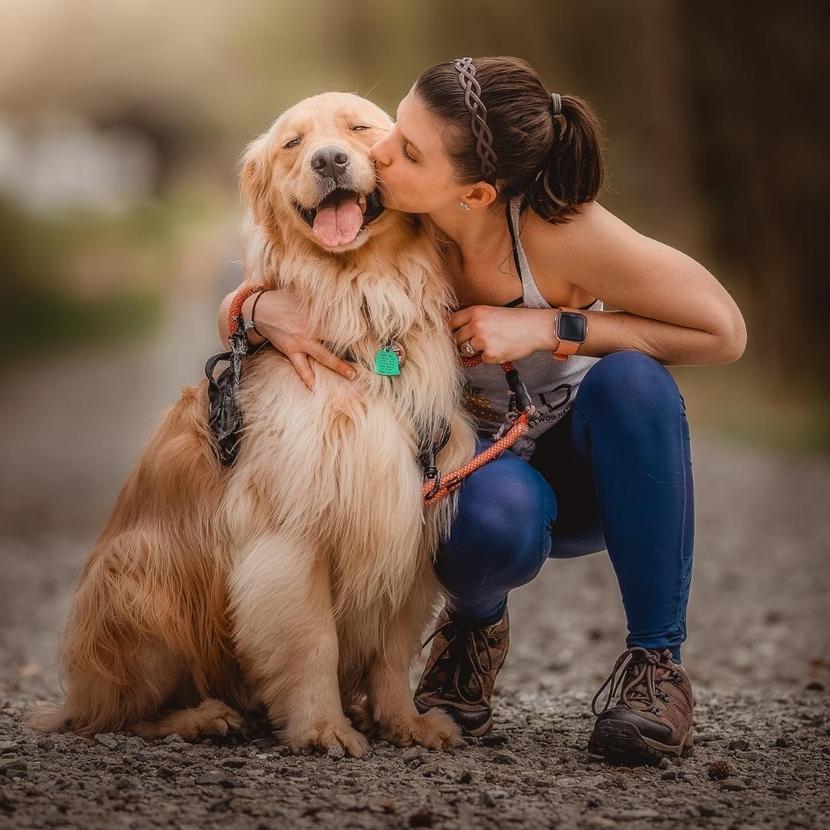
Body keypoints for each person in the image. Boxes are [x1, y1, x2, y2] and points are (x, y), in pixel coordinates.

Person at [217, 56, 747, 764]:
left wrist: (556, 327)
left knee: (635, 383)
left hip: (585, 469)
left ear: (475, 192)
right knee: (486, 520)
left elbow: (723, 331)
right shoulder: (390, 228)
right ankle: (474, 628)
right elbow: (282, 269)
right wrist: (251, 306)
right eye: (393, 129)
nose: (373, 153)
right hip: (481, 484)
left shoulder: (557, 231)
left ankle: (656, 667)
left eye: (404, 150)